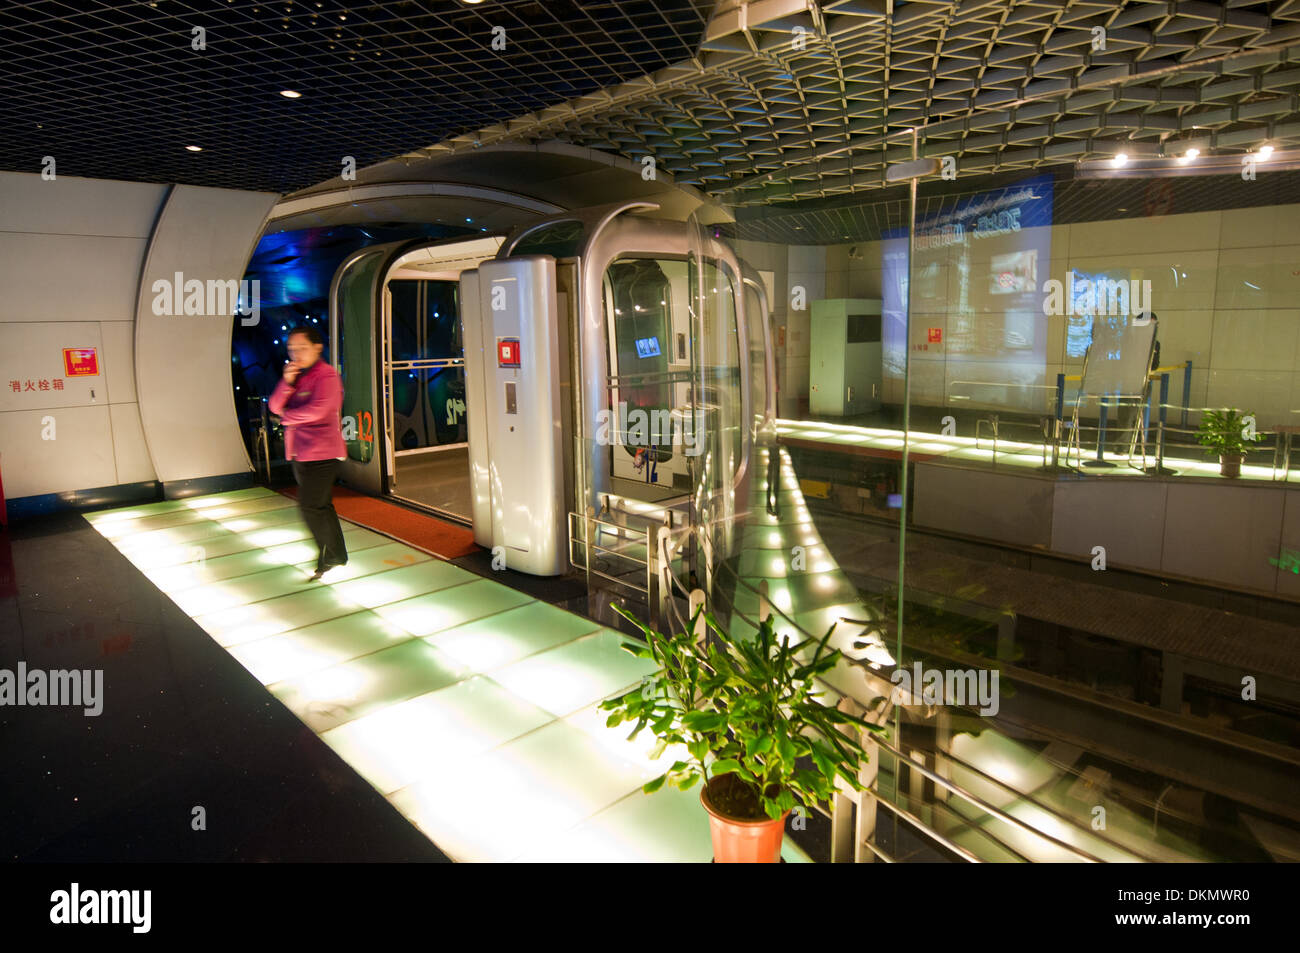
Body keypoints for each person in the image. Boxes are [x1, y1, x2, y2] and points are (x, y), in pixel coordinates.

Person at [268, 326, 348, 580]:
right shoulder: (298, 375)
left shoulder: (327, 376)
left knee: (310, 505)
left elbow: (320, 409)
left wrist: (286, 418)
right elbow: (274, 405)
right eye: (292, 349)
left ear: (317, 347)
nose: (296, 353)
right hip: (301, 454)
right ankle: (335, 555)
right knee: (320, 505)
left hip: (323, 453)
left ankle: (330, 555)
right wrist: (286, 382)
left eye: (302, 348)